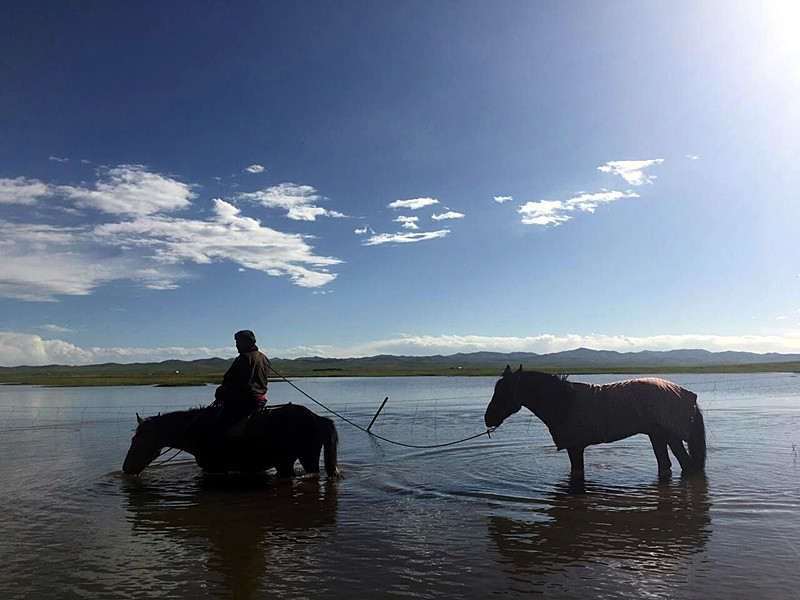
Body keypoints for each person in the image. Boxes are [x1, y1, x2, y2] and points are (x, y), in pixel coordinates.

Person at [213, 329, 270, 433]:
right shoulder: (263, 358)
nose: (237, 345)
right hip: (260, 400)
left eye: (239, 342)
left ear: (248, 342)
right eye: (236, 342)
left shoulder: (244, 358)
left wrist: (221, 394)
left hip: (244, 403)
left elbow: (237, 384)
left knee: (217, 429)